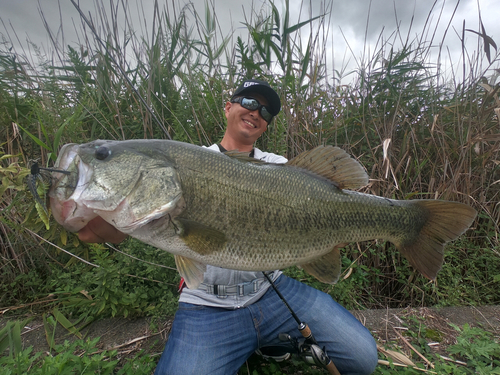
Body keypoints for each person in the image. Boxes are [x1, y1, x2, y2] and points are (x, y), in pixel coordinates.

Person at [78, 79, 379, 375]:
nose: (256, 112)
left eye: (265, 112)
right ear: (228, 107)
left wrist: (329, 235)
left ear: (266, 124)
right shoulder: (187, 162)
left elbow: (314, 207)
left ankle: (266, 339)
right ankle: (260, 342)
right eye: (249, 103)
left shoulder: (279, 167)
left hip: (272, 292)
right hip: (207, 305)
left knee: (363, 358)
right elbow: (115, 229)